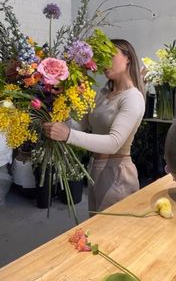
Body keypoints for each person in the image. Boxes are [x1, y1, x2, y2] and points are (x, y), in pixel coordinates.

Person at [43, 39, 145, 212]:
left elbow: (114, 143)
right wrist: (57, 112)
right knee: (96, 230)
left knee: (112, 235)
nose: (103, 63)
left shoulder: (132, 97)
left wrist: (67, 135)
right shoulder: (103, 94)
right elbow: (80, 126)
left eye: (110, 56)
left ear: (128, 58)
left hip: (117, 175)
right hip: (95, 170)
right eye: (100, 58)